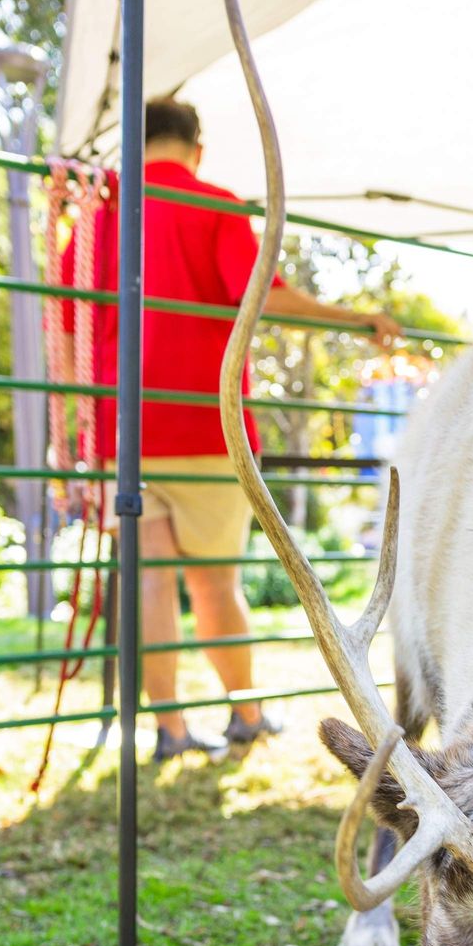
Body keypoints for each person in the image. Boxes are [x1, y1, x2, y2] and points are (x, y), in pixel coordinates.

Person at [60, 97, 401, 763]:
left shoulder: (98, 213)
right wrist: (355, 316)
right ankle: (246, 714)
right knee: (216, 582)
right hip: (205, 426)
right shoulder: (216, 204)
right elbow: (263, 297)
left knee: (151, 582)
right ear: (198, 148)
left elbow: (69, 311)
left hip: (121, 429)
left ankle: (172, 730)